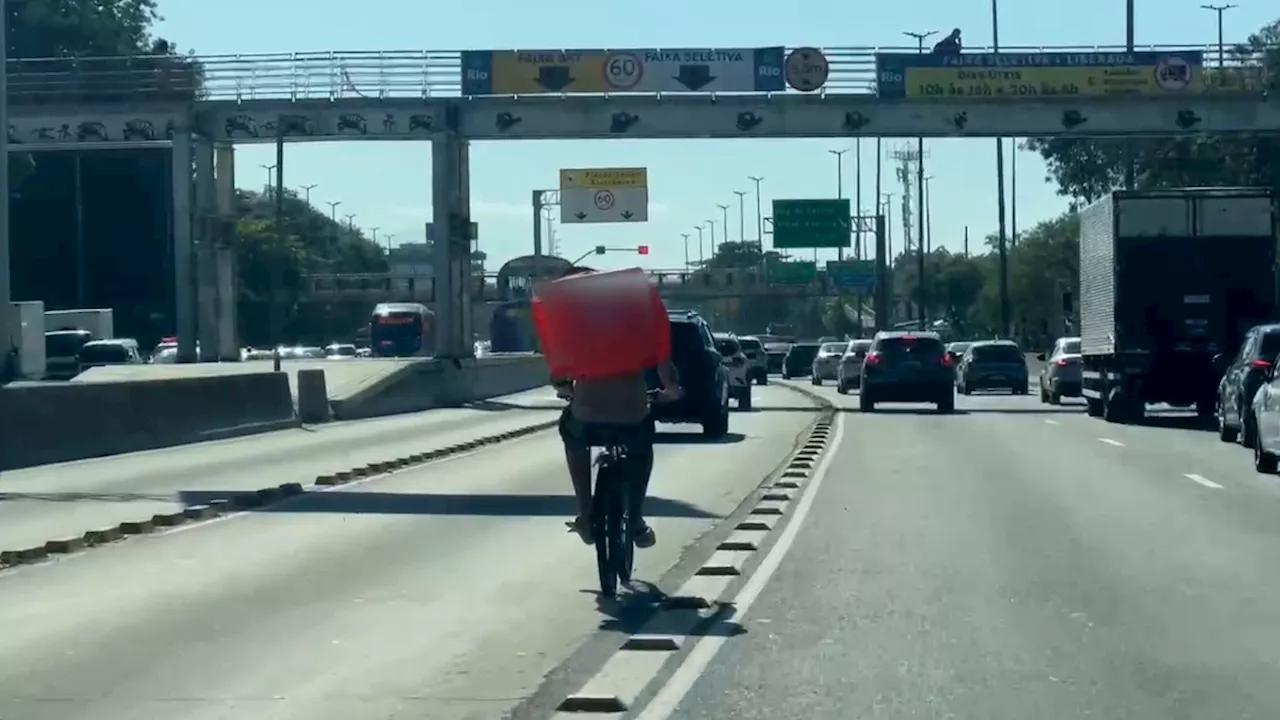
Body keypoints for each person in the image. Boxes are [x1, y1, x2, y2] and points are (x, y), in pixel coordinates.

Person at [548, 266, 681, 548]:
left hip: (587, 410)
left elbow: (558, 373)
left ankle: (585, 512)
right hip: (631, 408)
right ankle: (635, 520)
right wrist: (669, 391)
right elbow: (663, 364)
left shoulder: (573, 325)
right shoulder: (635, 318)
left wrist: (564, 387)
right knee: (642, 451)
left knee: (572, 436)